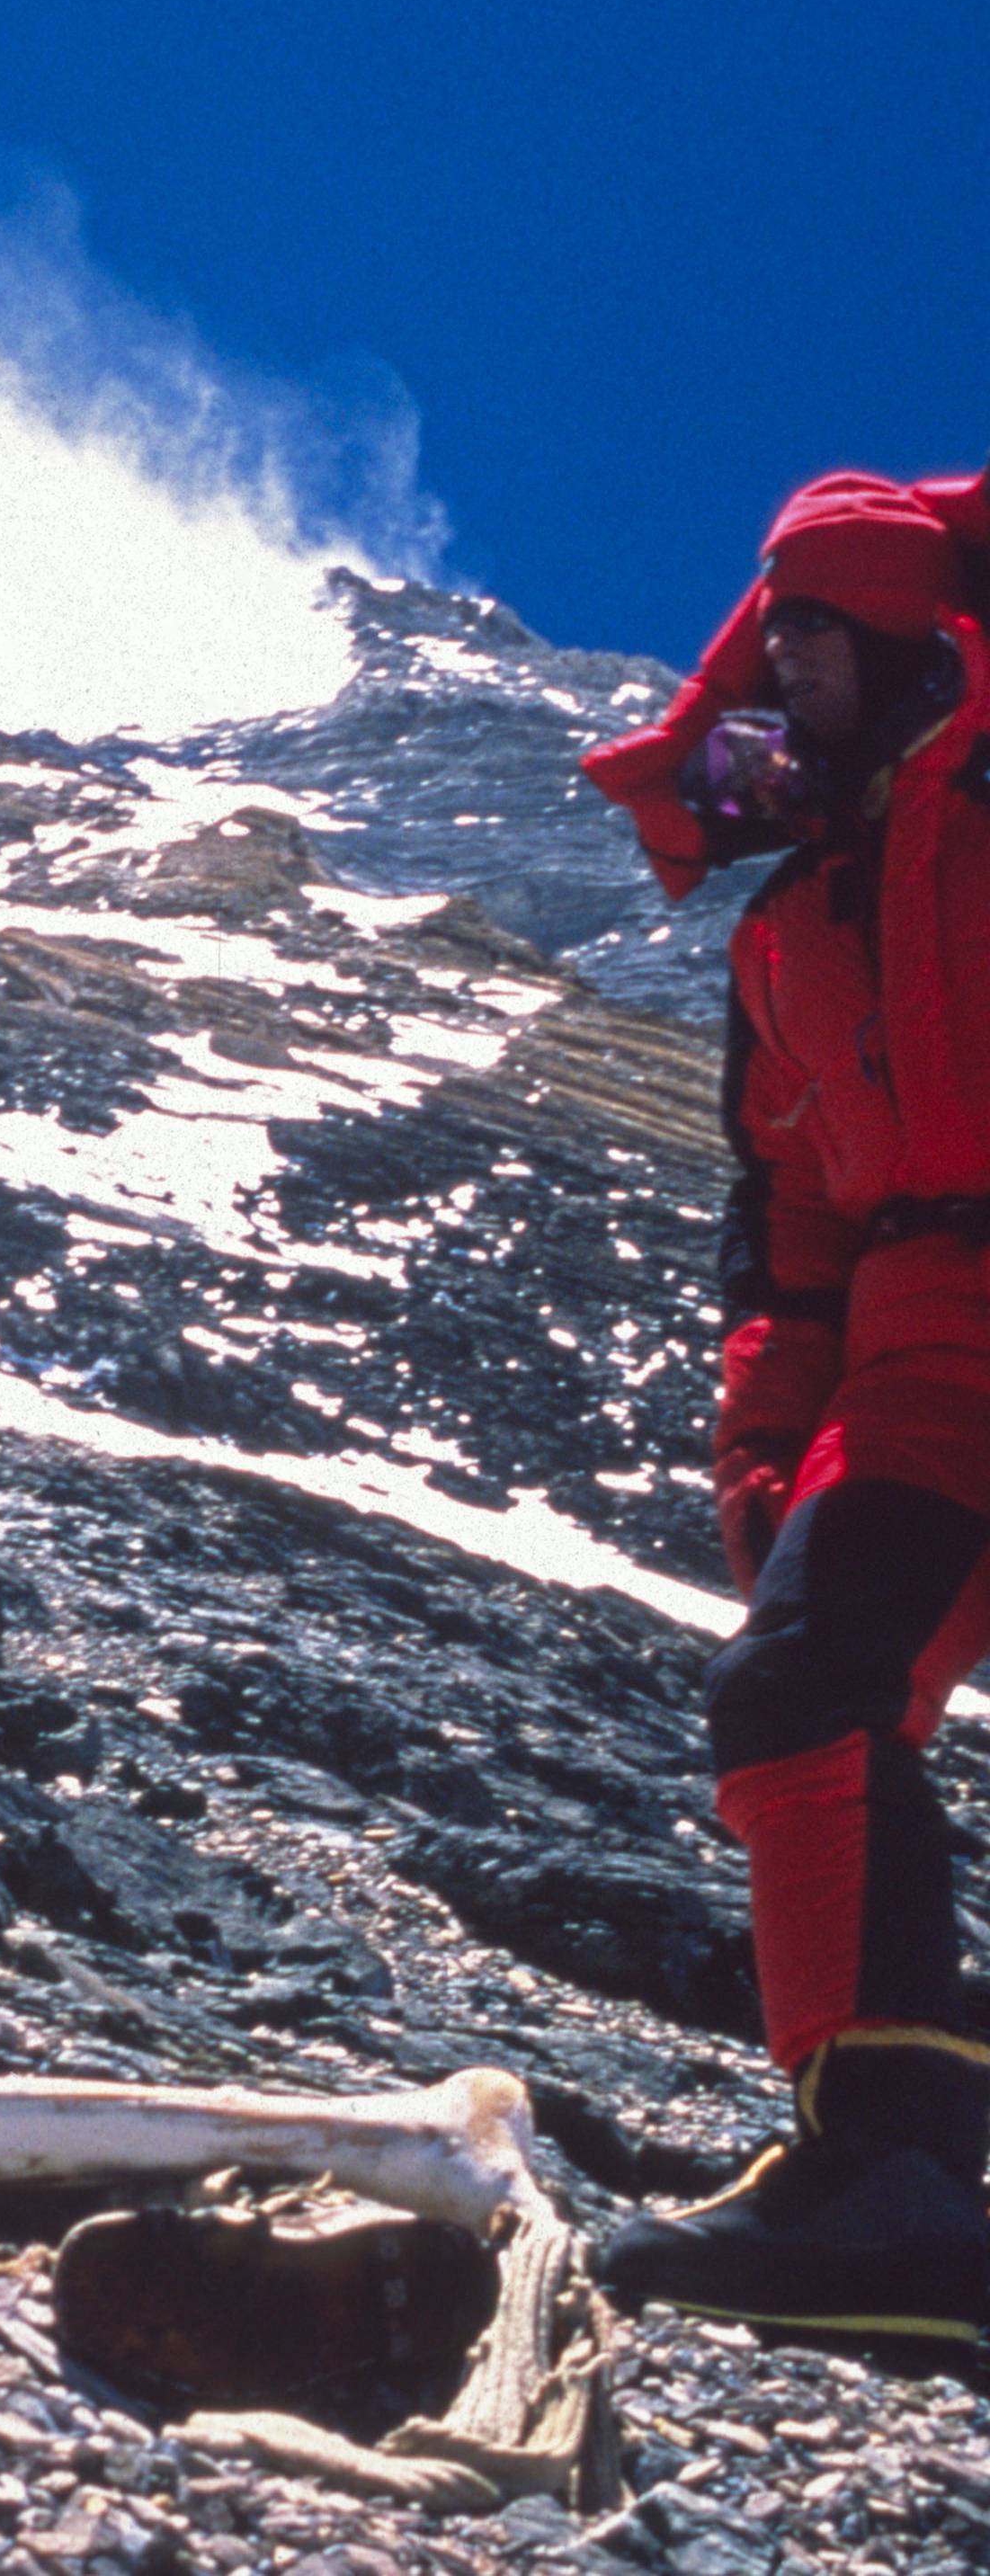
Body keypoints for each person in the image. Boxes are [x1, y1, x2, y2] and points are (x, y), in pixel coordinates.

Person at [580, 461, 990, 2346]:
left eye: (814, 624)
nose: (778, 661)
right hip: (924, 1337)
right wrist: (764, 1432)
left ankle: (899, 2190)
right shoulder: (787, 926)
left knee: (815, 1682)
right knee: (806, 1684)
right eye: (773, 632)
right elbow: (791, 1217)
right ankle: (892, 2180)